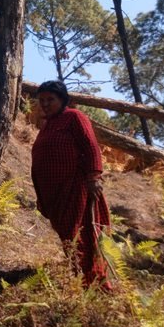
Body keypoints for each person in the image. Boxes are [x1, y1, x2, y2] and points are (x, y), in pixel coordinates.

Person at [31, 80, 112, 290]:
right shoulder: (47, 125)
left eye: (51, 99)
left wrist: (94, 177)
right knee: (68, 238)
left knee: (79, 235)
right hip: (54, 195)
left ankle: (94, 283)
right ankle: (79, 278)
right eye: (42, 100)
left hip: (76, 189)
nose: (46, 104)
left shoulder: (74, 117)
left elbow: (91, 147)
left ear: (63, 100)